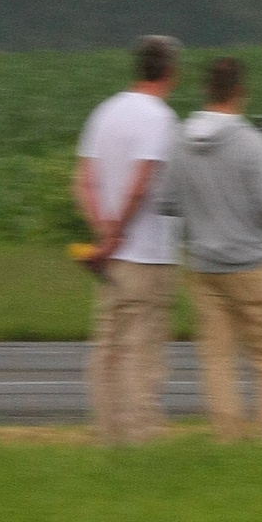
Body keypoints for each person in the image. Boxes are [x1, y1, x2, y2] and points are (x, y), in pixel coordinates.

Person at [159, 57, 262, 443]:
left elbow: (165, 201)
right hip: (254, 264)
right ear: (241, 92)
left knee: (217, 356)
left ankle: (227, 436)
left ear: (206, 91)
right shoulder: (255, 143)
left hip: (204, 265)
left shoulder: (180, 141)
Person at [75, 34, 183, 444]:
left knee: (109, 348)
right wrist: (119, 234)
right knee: (143, 349)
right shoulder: (160, 118)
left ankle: (108, 434)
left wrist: (103, 234)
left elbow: (83, 181)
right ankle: (140, 438)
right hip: (148, 255)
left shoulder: (105, 112)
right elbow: (141, 185)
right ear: (171, 72)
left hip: (113, 257)